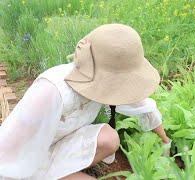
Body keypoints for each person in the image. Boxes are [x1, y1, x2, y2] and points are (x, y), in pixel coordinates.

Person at [0, 24, 171, 180]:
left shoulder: (104, 87)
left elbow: (142, 106)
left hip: (60, 144)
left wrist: (165, 141)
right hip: (27, 156)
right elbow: (10, 152)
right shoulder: (51, 92)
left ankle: (61, 172)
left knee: (109, 139)